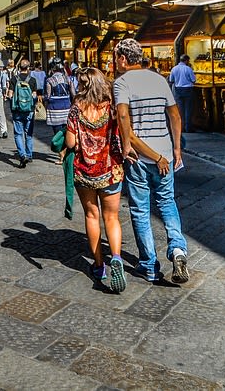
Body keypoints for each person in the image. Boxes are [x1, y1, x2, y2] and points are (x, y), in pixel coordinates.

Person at [113, 38, 190, 285]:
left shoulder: (122, 82)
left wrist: (127, 143)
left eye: (116, 59)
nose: (115, 63)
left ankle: (149, 265)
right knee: (167, 202)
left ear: (124, 59)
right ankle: (178, 249)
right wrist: (176, 148)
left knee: (140, 210)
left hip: (139, 157)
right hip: (165, 154)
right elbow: (175, 115)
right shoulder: (158, 79)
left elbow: (123, 115)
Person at [64, 66, 127, 293]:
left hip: (84, 171)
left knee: (92, 215)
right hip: (110, 169)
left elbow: (71, 143)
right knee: (112, 217)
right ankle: (117, 257)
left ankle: (99, 265)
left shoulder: (76, 109)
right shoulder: (111, 107)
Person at [44, 60, 73, 163]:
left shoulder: (50, 80)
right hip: (66, 106)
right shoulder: (67, 79)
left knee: (57, 132)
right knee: (67, 130)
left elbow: (48, 95)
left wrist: (46, 105)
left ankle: (61, 155)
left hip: (55, 108)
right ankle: (66, 153)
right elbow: (73, 92)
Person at [9, 63, 38, 167]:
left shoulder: (14, 79)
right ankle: (29, 155)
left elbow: (10, 94)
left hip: (17, 110)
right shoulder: (32, 80)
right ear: (28, 68)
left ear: (19, 68)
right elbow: (34, 96)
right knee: (29, 134)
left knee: (18, 134)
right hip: (29, 110)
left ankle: (22, 155)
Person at [169, 54, 196, 149]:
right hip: (188, 89)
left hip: (177, 89)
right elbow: (193, 79)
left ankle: (181, 127)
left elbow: (171, 80)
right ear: (187, 60)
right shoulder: (188, 69)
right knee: (188, 108)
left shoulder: (174, 69)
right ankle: (188, 127)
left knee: (180, 109)